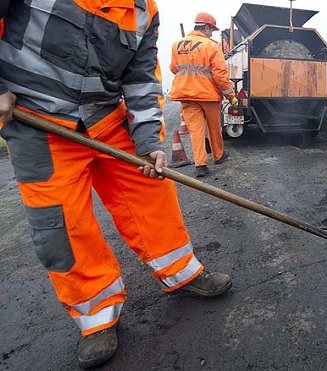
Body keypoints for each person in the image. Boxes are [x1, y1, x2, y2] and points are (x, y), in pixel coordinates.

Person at [0, 0, 232, 368]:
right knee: (62, 225)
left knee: (151, 191)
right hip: (36, 122)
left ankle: (182, 273)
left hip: (106, 117)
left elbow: (142, 78)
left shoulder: (145, 11)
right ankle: (97, 317)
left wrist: (149, 142)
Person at [169, 11, 238, 178]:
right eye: (211, 30)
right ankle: (218, 156)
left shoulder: (177, 45)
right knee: (214, 128)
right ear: (206, 27)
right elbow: (220, 75)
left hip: (186, 94)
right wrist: (231, 96)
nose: (211, 33)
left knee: (196, 131)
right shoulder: (211, 46)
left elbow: (173, 68)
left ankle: (201, 165)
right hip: (208, 95)